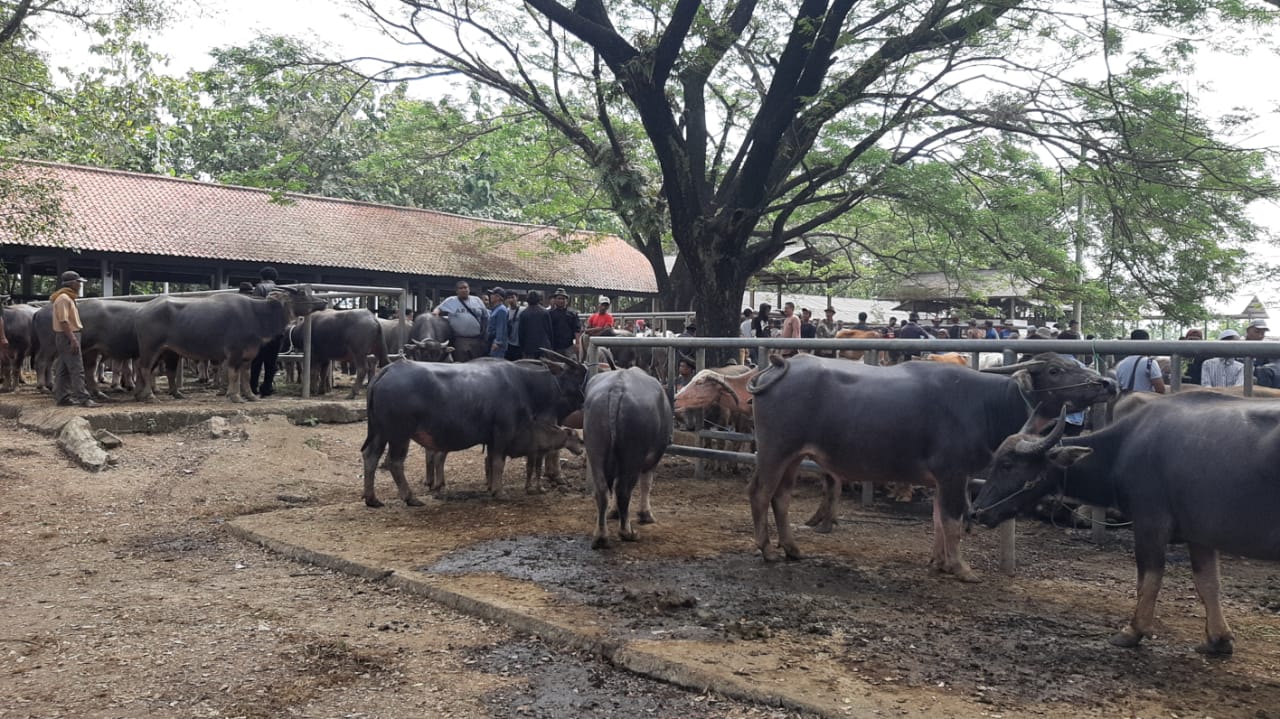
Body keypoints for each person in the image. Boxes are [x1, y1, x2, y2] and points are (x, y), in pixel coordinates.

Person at [50, 270, 99, 408]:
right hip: (68, 335)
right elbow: (64, 321)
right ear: (72, 283)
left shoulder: (66, 298)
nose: (80, 285)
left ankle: (62, 397)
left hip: (65, 335)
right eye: (78, 282)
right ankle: (83, 398)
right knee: (77, 368)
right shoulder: (64, 299)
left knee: (63, 369)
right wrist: (72, 339)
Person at [436, 280, 490, 362]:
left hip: (477, 339)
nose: (464, 290)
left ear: (469, 289)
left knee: (477, 363)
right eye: (461, 288)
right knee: (461, 364)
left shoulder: (477, 300)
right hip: (460, 340)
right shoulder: (451, 301)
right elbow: (438, 309)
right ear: (457, 291)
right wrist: (435, 313)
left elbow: (485, 317)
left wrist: (484, 334)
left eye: (466, 287)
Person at [249, 266, 281, 397]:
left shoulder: (259, 288)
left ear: (261, 276)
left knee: (257, 360)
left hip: (261, 331)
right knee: (271, 362)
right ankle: (267, 387)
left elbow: (255, 307)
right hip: (278, 330)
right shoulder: (281, 290)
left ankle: (253, 386)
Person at [1115, 329, 1165, 394]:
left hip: (1126, 402)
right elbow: (1160, 389)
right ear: (1147, 343)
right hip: (1145, 402)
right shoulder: (1149, 363)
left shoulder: (1121, 364)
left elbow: (1120, 387)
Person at [518, 290, 555, 359]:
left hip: (529, 347)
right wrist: (551, 346)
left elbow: (521, 333)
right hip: (544, 347)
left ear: (528, 300)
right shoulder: (545, 312)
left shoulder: (523, 314)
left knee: (530, 368)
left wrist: (522, 348)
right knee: (544, 368)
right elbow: (550, 331)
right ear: (538, 299)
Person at [548, 288, 581, 358]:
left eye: (563, 299)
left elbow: (577, 330)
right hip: (554, 347)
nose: (561, 301)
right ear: (555, 300)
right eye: (559, 298)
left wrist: (577, 344)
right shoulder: (550, 314)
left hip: (568, 346)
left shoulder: (572, 314)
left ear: (566, 300)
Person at [487, 287, 512, 359]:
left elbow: (501, 327)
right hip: (492, 340)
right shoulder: (495, 309)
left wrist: (497, 342)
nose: (490, 296)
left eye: (492, 294)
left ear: (498, 297)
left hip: (497, 343)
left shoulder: (501, 310)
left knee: (496, 364)